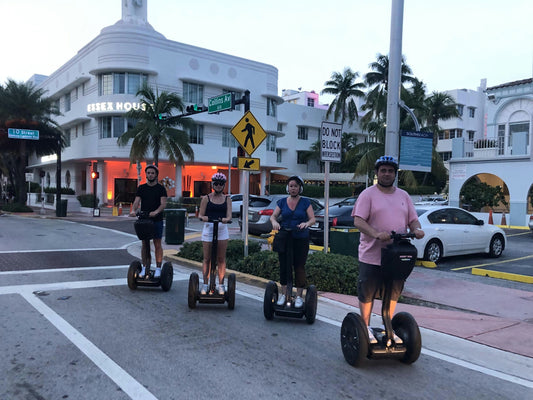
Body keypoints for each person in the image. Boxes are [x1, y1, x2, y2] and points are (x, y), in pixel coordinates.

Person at [351, 155, 424, 343]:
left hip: (396, 254)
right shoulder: (368, 194)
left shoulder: (403, 196)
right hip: (372, 254)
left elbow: (412, 219)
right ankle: (365, 327)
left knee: (394, 290)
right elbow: (358, 220)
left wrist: (416, 229)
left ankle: (387, 325)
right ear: (377, 173)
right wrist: (375, 233)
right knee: (367, 290)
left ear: (395, 174)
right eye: (383, 170)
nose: (386, 174)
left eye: (390, 171)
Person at [269, 176, 315, 308]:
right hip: (284, 237)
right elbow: (273, 216)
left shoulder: (306, 202)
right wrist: (274, 222)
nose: (293, 188)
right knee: (284, 266)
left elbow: (312, 219)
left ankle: (299, 296)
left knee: (299, 266)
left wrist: (306, 224)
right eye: (291, 186)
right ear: (287, 188)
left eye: (295, 186)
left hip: (300, 237)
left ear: (300, 188)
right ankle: (284, 294)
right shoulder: (282, 202)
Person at [129, 164, 168, 278]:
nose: (150, 175)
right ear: (146, 174)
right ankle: (145, 266)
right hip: (144, 219)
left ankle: (158, 268)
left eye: (152, 173)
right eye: (148, 173)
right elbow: (136, 202)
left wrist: (156, 211)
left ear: (156, 175)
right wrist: (133, 210)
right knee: (144, 244)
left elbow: (163, 204)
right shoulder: (141, 188)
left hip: (156, 220)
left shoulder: (161, 189)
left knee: (157, 243)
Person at [198, 172, 232, 295]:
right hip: (209, 228)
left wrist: (226, 219)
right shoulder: (206, 198)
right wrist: (204, 218)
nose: (218, 186)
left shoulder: (227, 199)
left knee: (221, 258)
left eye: (221, 184)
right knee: (207, 258)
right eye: (216, 183)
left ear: (223, 185)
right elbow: (200, 215)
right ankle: (205, 284)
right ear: (213, 184)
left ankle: (221, 284)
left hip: (222, 229)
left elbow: (229, 215)